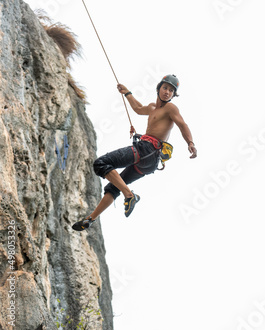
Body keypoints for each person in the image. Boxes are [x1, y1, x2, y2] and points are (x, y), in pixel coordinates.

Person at [72, 74, 197, 231]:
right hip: (148, 162)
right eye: (165, 88)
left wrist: (190, 143)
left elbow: (182, 124)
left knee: (101, 163)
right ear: (159, 88)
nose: (167, 92)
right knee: (114, 187)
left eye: (171, 91)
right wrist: (127, 93)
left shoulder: (170, 109)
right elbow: (138, 109)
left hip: (147, 151)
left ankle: (130, 195)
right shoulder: (152, 108)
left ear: (173, 95)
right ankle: (90, 219)